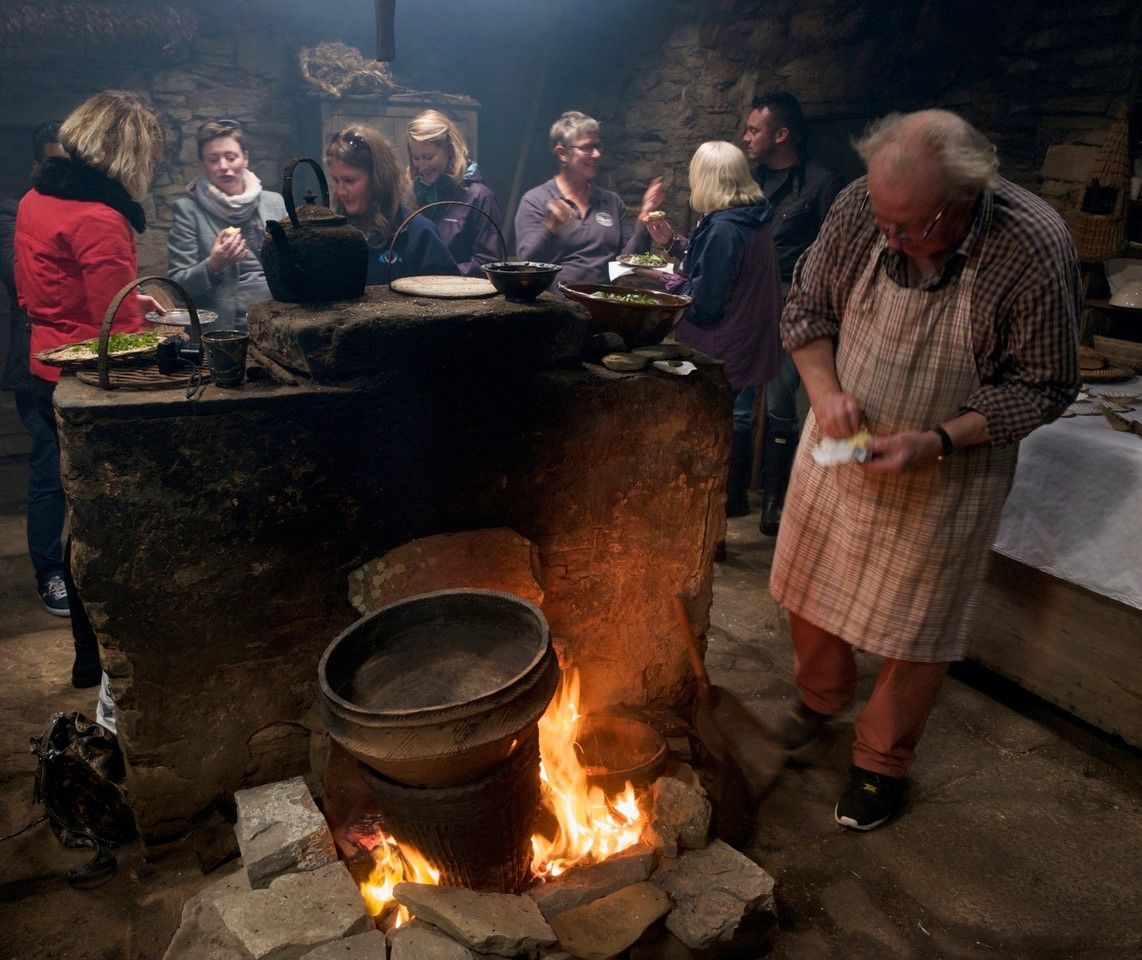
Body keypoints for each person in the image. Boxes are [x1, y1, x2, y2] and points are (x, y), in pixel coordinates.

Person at [769, 109, 1081, 831]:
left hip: (950, 462)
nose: (893, 240)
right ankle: (820, 699)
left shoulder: (1030, 245)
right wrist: (825, 392)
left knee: (918, 625)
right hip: (844, 438)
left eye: (912, 227)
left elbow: (1044, 384)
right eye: (885, 221)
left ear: (966, 198)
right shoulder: (860, 207)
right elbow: (807, 306)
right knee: (807, 581)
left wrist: (936, 440)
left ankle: (881, 762)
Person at [15, 90, 166, 689]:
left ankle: (85, 660)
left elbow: (59, 291)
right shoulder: (100, 217)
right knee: (104, 529)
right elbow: (120, 333)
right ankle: (100, 658)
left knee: (75, 515)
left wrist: (128, 303)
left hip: (43, 367)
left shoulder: (36, 197)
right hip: (86, 383)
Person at [644, 141, 783, 517]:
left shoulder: (725, 227)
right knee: (736, 418)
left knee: (723, 423)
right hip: (747, 337)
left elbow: (704, 305)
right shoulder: (747, 217)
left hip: (726, 343)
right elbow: (716, 266)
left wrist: (663, 280)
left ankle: (720, 505)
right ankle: (729, 502)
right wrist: (674, 244)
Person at [742, 92, 845, 535]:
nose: (745, 137)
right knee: (739, 402)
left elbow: (833, 253)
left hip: (794, 304)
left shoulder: (823, 183)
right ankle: (732, 492)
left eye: (754, 129)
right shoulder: (749, 181)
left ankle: (776, 503)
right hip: (749, 303)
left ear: (780, 134)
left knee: (783, 404)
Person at [1, 122, 70, 616]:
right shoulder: (13, 212)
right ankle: (50, 573)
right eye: (55, 162)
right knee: (48, 467)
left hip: (78, 355)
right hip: (34, 360)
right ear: (38, 164)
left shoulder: (83, 208)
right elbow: (25, 277)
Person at [514, 111, 662, 293]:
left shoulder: (611, 201)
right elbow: (525, 266)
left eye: (598, 146)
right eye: (587, 148)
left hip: (603, 308)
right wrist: (550, 227)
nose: (597, 154)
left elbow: (627, 262)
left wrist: (645, 217)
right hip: (555, 311)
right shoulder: (536, 200)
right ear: (562, 153)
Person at [166, 119, 286, 330]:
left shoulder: (274, 203)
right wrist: (214, 264)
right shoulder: (188, 211)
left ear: (245, 158)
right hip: (224, 331)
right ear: (203, 164)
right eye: (213, 160)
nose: (223, 167)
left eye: (231, 157)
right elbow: (177, 286)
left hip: (279, 323)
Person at [324, 123, 457, 285]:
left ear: (378, 179)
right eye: (336, 180)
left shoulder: (419, 234)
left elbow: (452, 300)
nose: (341, 192)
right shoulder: (335, 234)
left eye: (349, 181)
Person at [407, 109, 504, 275]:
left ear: (450, 151)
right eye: (416, 158)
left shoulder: (479, 197)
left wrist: (439, 278)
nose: (421, 166)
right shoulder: (412, 195)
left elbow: (488, 262)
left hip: (461, 296)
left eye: (429, 157)